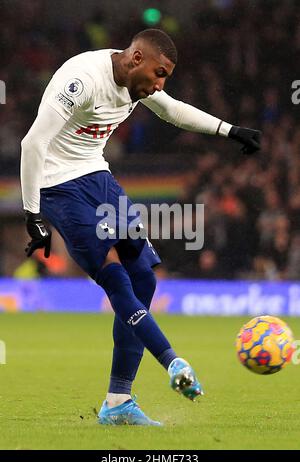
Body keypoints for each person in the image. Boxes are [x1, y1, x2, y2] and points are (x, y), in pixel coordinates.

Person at [21, 29, 261, 426]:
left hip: (96, 175)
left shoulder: (139, 86)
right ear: (136, 59)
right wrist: (32, 215)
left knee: (144, 279)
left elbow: (172, 109)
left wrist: (229, 130)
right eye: (159, 73)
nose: (160, 84)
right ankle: (173, 362)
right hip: (57, 186)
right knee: (117, 279)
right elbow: (33, 144)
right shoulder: (81, 79)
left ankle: (118, 400)